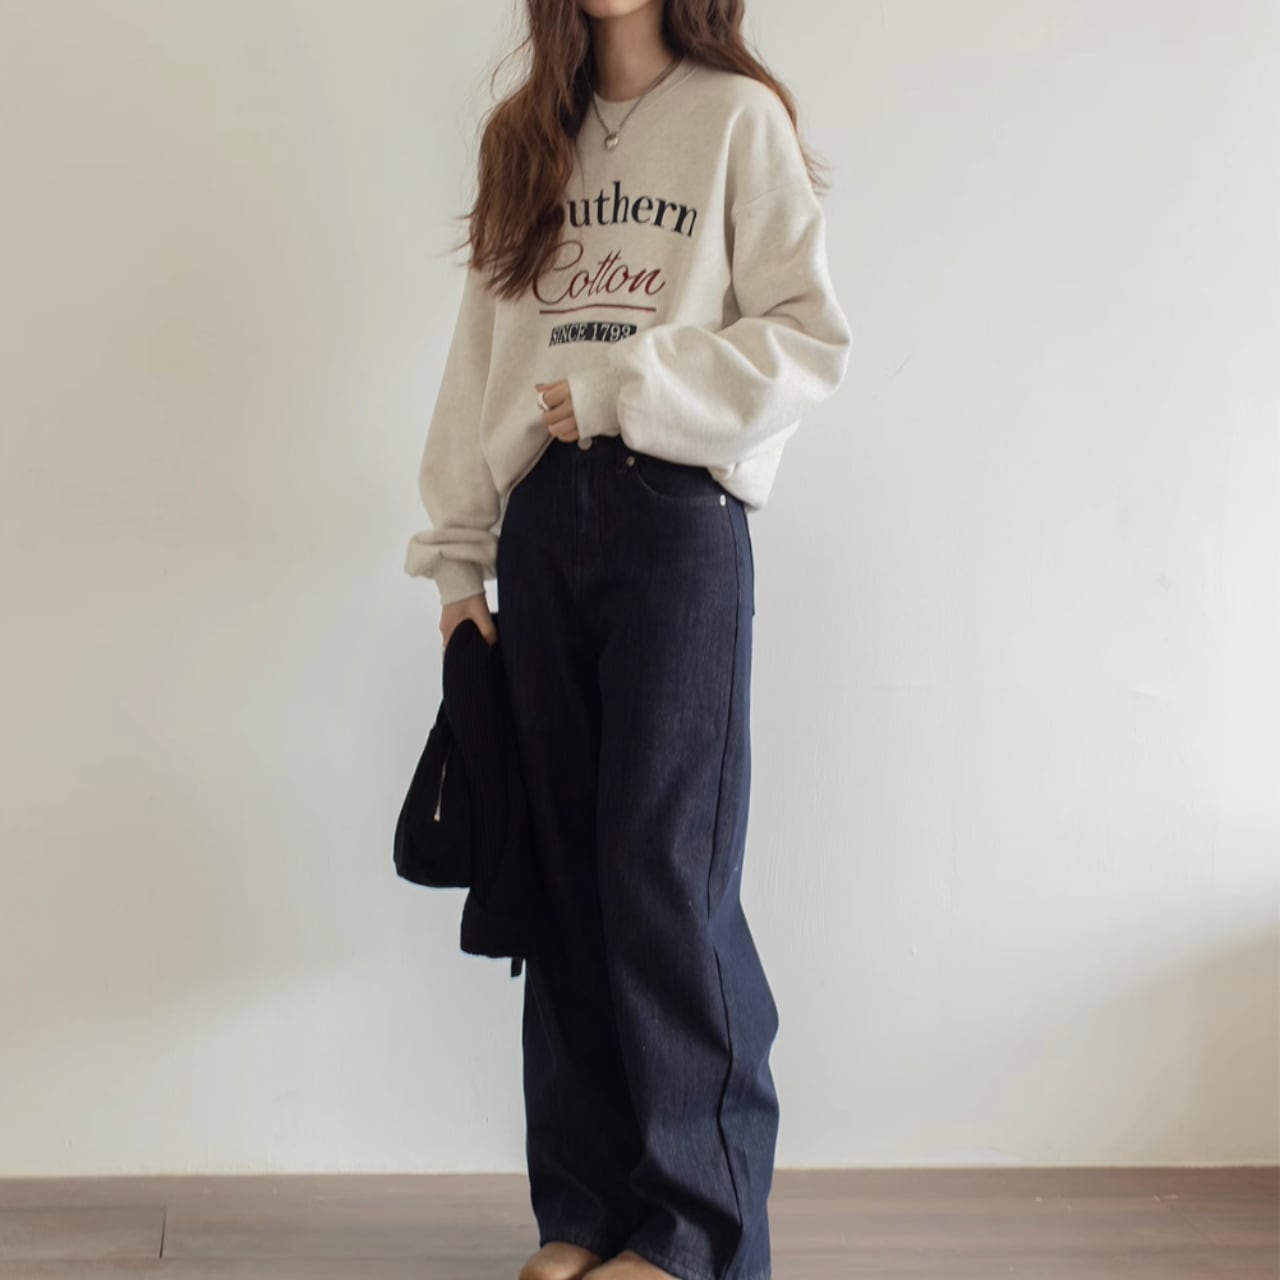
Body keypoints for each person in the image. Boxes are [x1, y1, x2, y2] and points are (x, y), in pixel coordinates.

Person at [405, 3, 852, 1278]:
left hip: (676, 513)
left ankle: (695, 1228)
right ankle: (587, 1209)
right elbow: (482, 352)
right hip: (543, 519)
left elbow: (806, 336)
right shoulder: (523, 136)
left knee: (661, 867)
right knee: (562, 867)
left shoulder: (734, 118)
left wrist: (622, 387)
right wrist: (456, 553)